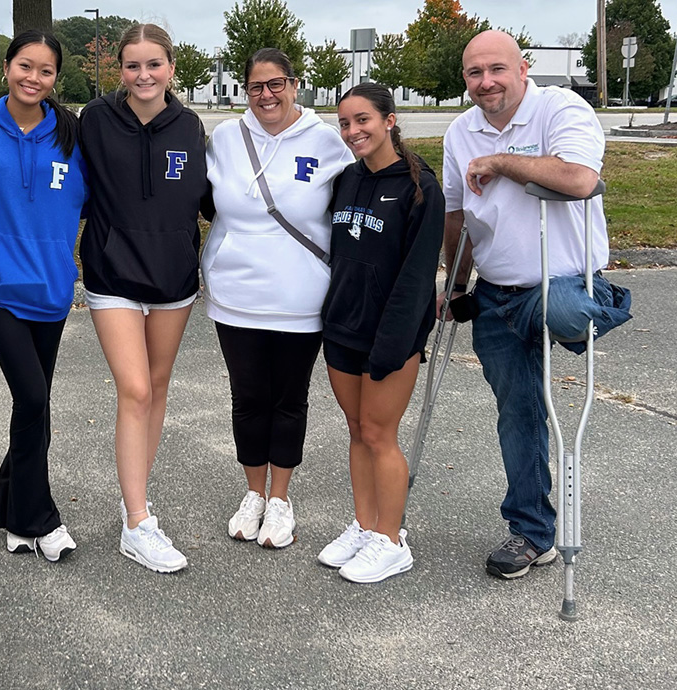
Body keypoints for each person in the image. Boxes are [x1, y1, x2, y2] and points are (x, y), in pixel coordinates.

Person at [442, 30, 631, 579]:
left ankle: (604, 304)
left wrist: (501, 162)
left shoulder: (561, 108)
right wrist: (457, 284)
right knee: (517, 413)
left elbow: (578, 179)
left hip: (562, 280)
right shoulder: (460, 132)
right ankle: (532, 533)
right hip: (499, 295)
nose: (487, 82)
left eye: (497, 69)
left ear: (523, 68)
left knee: (567, 310)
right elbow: (457, 216)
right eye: (475, 73)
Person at [201, 48, 353, 550]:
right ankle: (253, 493)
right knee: (247, 398)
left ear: (294, 84)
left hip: (300, 295)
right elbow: (202, 201)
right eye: (256, 86)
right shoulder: (225, 137)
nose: (267, 95)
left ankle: (281, 499)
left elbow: (358, 200)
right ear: (245, 90)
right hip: (235, 292)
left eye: (277, 84)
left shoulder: (326, 141)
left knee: (289, 398)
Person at [78, 23, 208, 574]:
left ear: (171, 68)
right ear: (121, 71)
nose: (143, 75)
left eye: (154, 64)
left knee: (155, 388)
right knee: (133, 389)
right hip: (112, 275)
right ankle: (138, 523)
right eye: (133, 65)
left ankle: (137, 497)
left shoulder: (191, 124)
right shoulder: (95, 121)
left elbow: (207, 200)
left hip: (174, 278)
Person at [0, 30, 87, 562]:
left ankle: (11, 506)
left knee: (31, 402)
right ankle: (40, 518)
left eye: (46, 71)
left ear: (57, 78)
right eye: (24, 66)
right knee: (33, 397)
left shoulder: (72, 133)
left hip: (53, 287)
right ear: (7, 66)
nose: (33, 78)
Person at [316, 83, 444, 583]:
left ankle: (391, 541)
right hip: (342, 327)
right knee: (356, 431)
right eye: (345, 123)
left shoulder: (420, 187)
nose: (353, 131)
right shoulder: (346, 180)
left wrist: (394, 343)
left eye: (363, 120)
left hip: (390, 336)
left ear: (390, 120)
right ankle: (366, 526)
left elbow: (415, 279)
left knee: (379, 433)